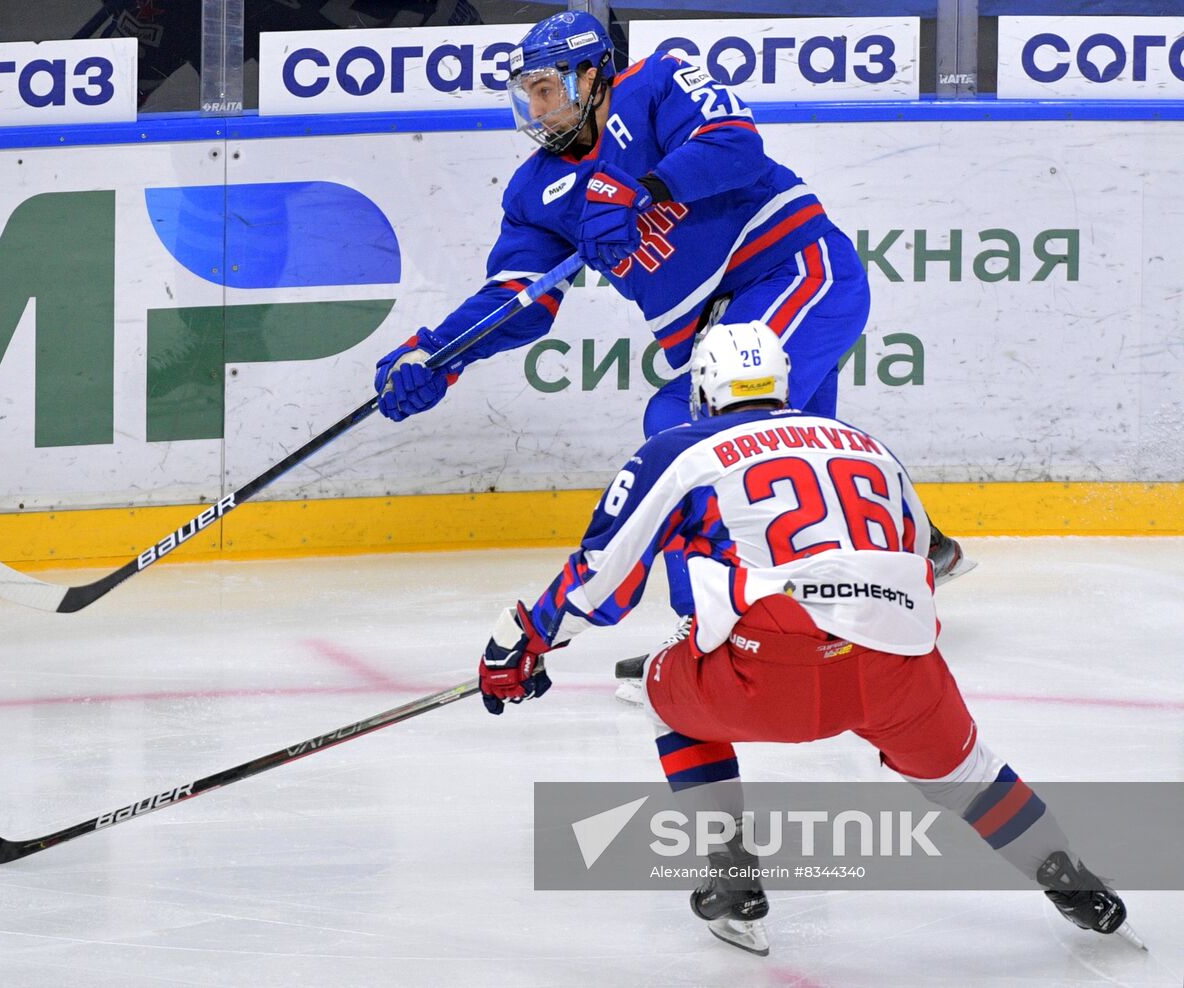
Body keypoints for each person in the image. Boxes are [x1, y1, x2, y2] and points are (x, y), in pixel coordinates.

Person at [474, 321, 1140, 955]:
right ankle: (1067, 872)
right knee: (970, 775)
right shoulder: (865, 444)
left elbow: (600, 580)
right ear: (785, 382)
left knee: (661, 687)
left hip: (771, 674)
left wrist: (521, 642)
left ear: (704, 391)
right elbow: (924, 555)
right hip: (899, 667)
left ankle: (730, 865)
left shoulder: (682, 450)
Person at [372, 9, 968, 618]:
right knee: (795, 465)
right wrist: (437, 354)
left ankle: (706, 631)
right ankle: (912, 551)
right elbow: (517, 299)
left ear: (592, 75)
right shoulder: (534, 193)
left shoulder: (657, 82)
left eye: (547, 90)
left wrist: (646, 190)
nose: (537, 111)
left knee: (685, 424)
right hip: (726, 334)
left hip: (795, 274)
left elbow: (735, 144)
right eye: (528, 96)